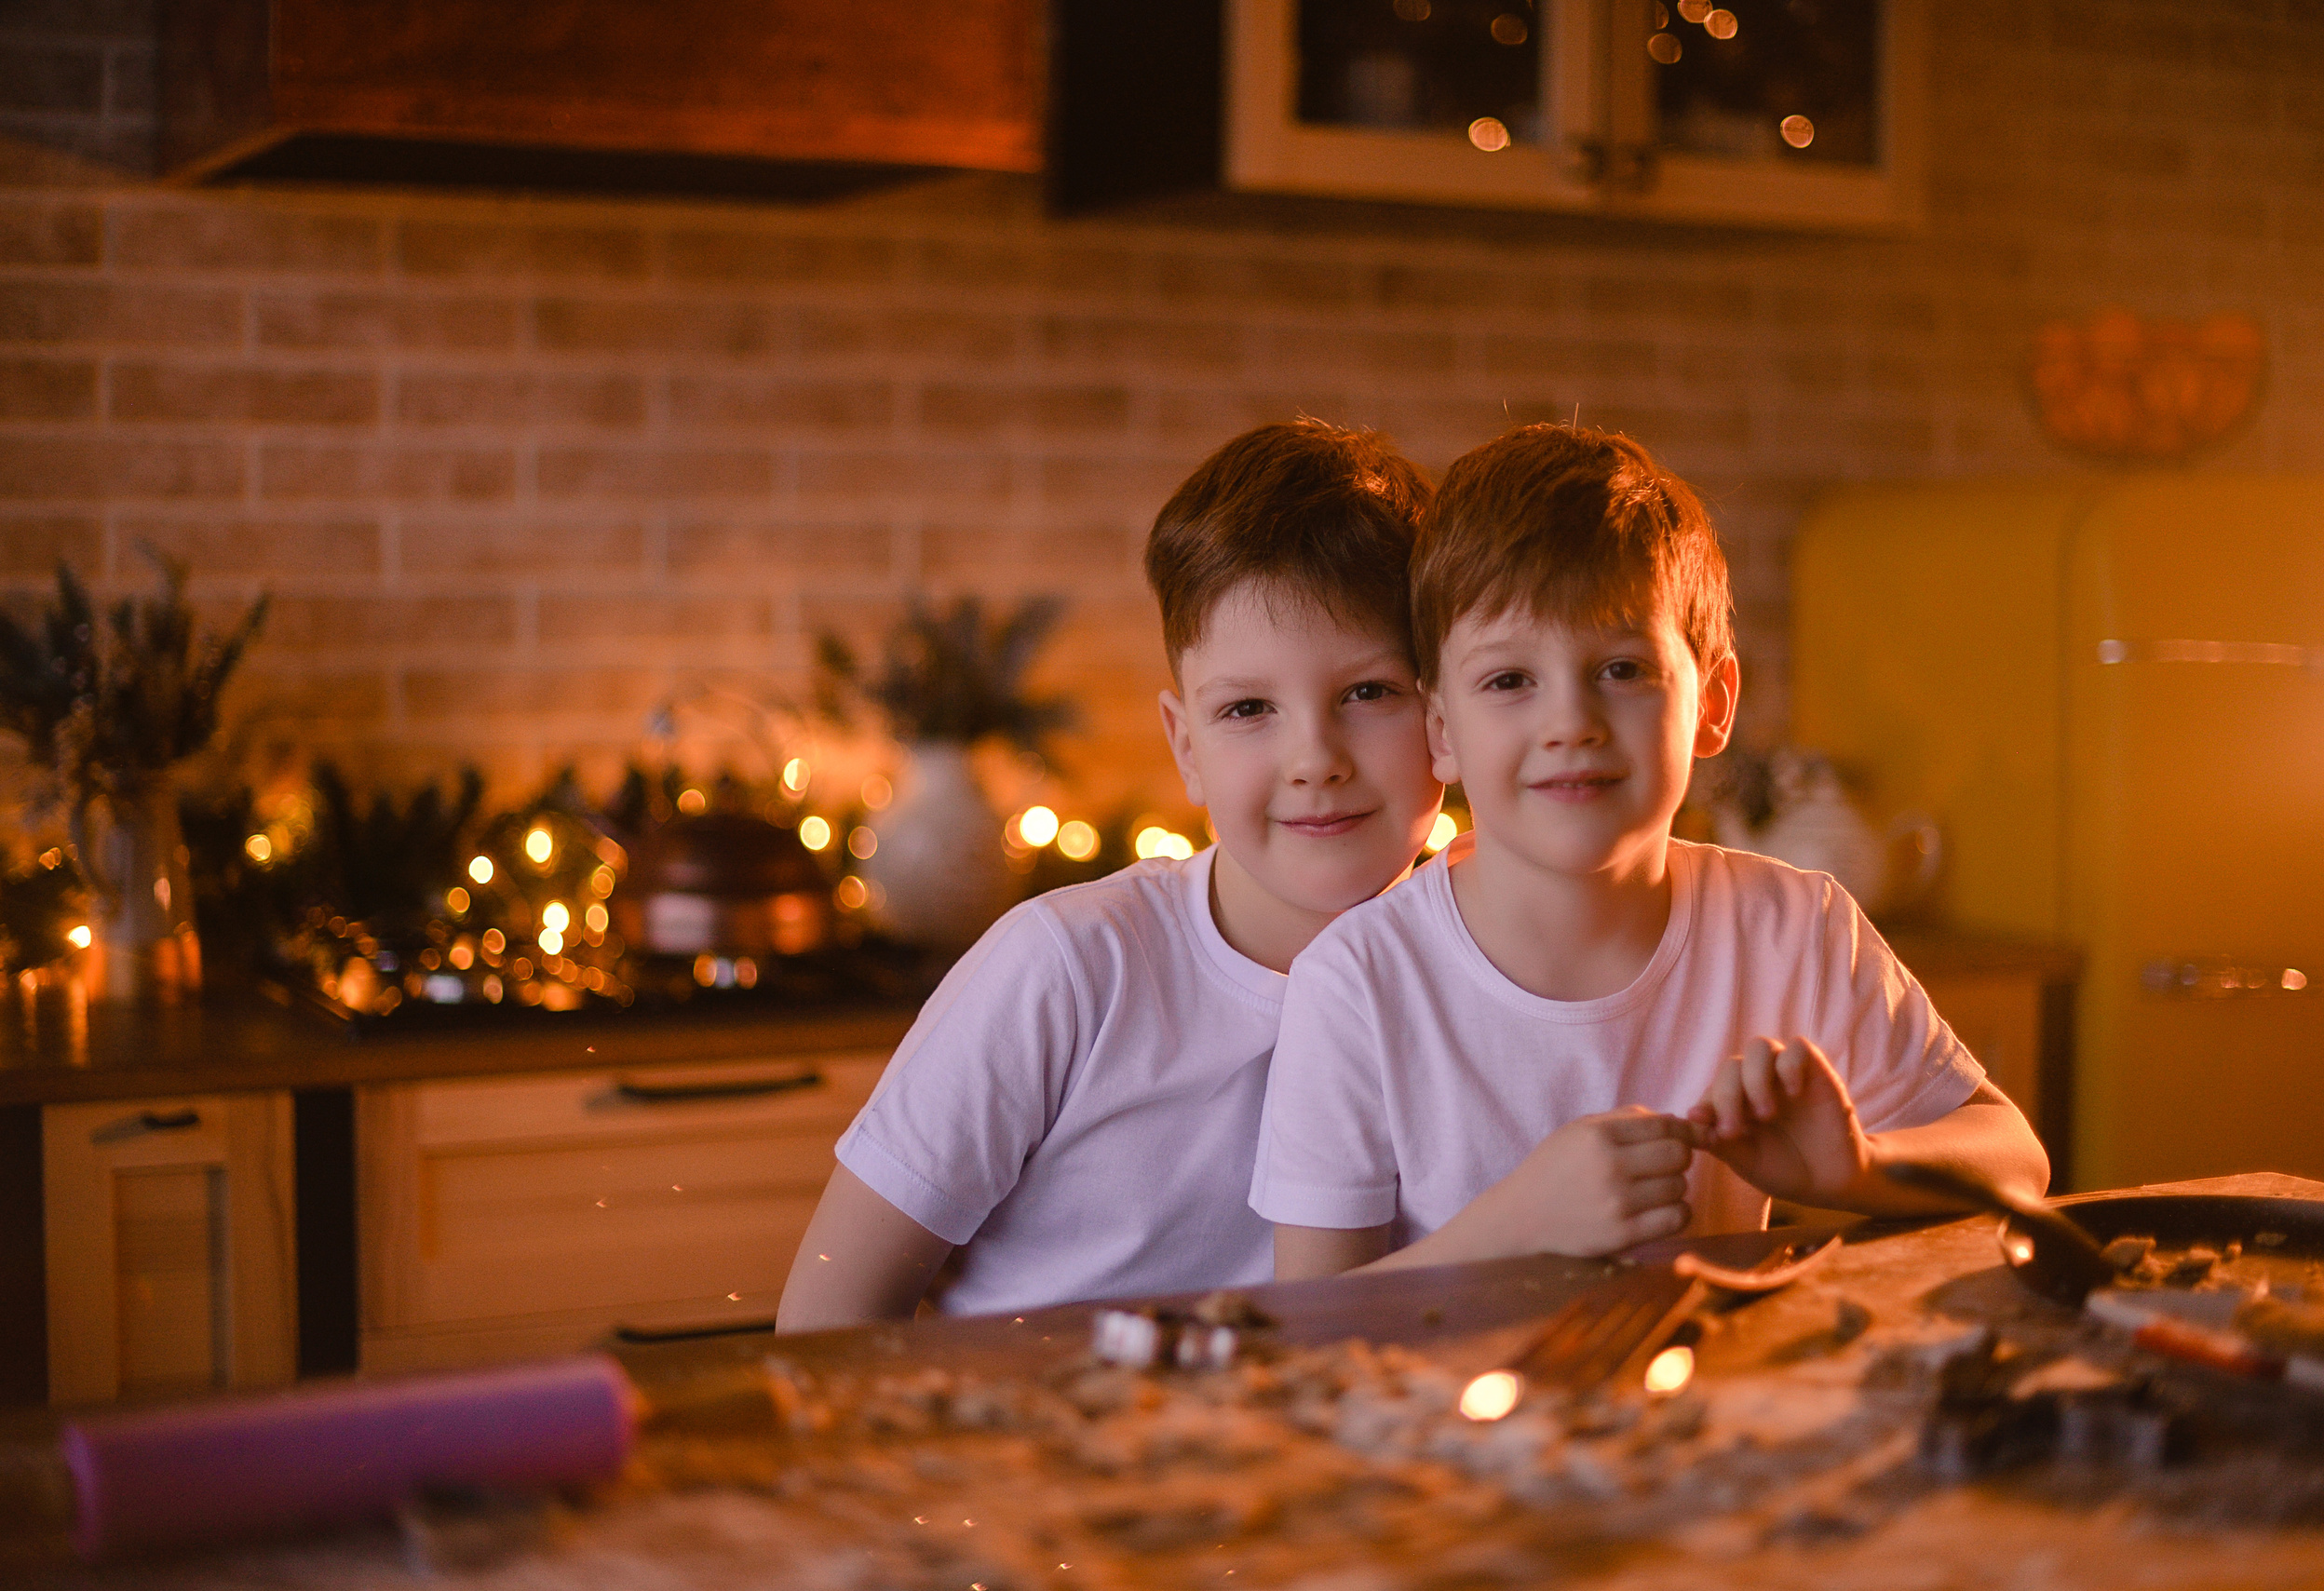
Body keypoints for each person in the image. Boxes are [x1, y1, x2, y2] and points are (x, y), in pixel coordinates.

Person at [1250, 424, 2049, 1280]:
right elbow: (1308, 1319)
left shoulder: (1792, 926)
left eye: (1623, 669)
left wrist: (1858, 1167)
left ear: (1713, 703)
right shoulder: (1359, 982)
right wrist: (1515, 1225)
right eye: (1509, 680)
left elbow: (2017, 1160)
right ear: (1441, 731)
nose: (1571, 725)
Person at [777, 420, 1448, 1329]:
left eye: (1367, 692)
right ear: (1186, 746)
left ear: (1444, 709)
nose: (1313, 758)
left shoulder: (1483, 968)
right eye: (1248, 707)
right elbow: (827, 1316)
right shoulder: (1065, 967)